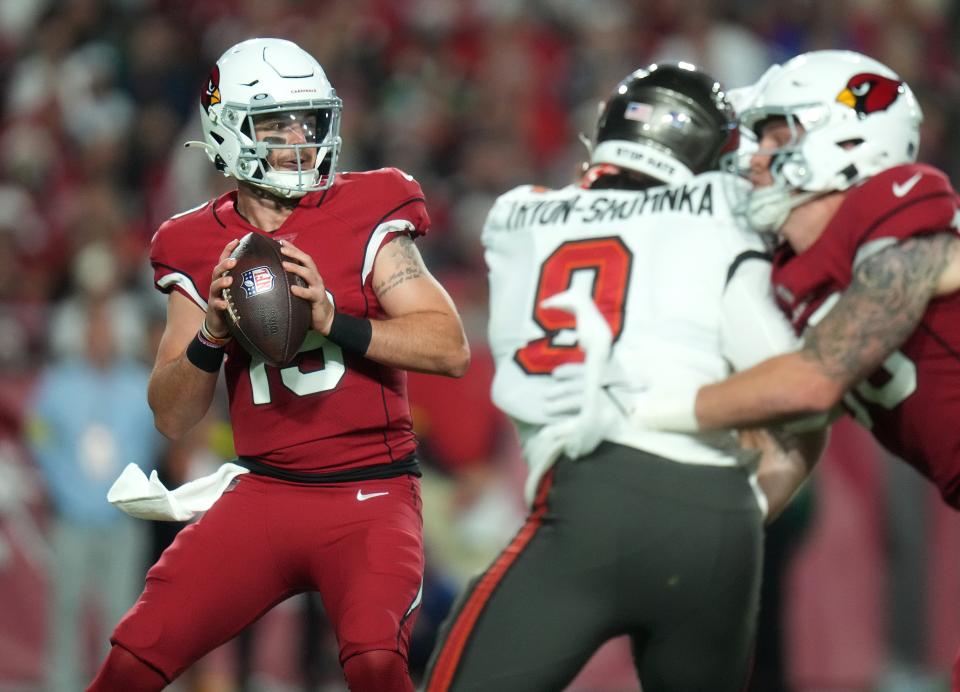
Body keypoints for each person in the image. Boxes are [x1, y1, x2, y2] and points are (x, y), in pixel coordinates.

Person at [423, 63, 825, 692]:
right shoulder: (720, 214)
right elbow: (797, 387)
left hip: (586, 500)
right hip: (715, 519)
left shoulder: (516, 217)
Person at [87, 37, 470, 692]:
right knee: (132, 658)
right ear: (228, 130)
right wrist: (209, 336)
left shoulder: (369, 207)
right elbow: (173, 416)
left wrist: (333, 321)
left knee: (378, 665)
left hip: (369, 493)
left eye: (309, 119)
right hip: (264, 492)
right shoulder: (191, 241)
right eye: (278, 122)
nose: (300, 137)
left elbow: (448, 346)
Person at [623, 50, 960, 685]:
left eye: (775, 135)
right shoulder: (792, 281)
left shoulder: (896, 207)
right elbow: (795, 436)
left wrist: (643, 411)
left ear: (849, 140)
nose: (753, 158)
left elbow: (814, 377)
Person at [28, 296, 163, 691]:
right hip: (72, 514)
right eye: (94, 329)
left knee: (122, 614)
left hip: (122, 518)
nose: (101, 337)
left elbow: (155, 436)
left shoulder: (138, 383)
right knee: (66, 610)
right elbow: (37, 433)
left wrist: (134, 481)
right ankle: (62, 685)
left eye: (108, 329)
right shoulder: (58, 383)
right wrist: (58, 479)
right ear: (82, 335)